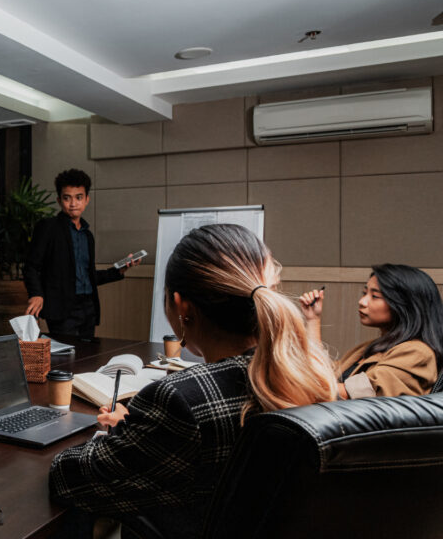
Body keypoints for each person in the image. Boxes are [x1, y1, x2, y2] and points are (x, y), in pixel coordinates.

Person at [49, 224, 337, 539]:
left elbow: (69, 478)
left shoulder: (180, 401)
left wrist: (124, 434)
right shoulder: (312, 377)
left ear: (182, 307)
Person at [24, 168, 138, 341]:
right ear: (59, 200)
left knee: (87, 358)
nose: (73, 203)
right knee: (67, 360)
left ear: (86, 200)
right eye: (67, 198)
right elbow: (31, 267)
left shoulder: (87, 236)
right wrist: (36, 294)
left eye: (78, 197)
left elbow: (87, 275)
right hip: (62, 309)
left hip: (88, 308)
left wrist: (118, 271)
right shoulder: (48, 227)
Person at [301, 264, 443, 398]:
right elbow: (320, 375)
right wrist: (313, 319)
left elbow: (357, 393)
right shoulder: (370, 348)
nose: (362, 301)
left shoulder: (417, 352)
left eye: (374, 296)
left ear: (404, 305)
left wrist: (299, 386)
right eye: (364, 293)